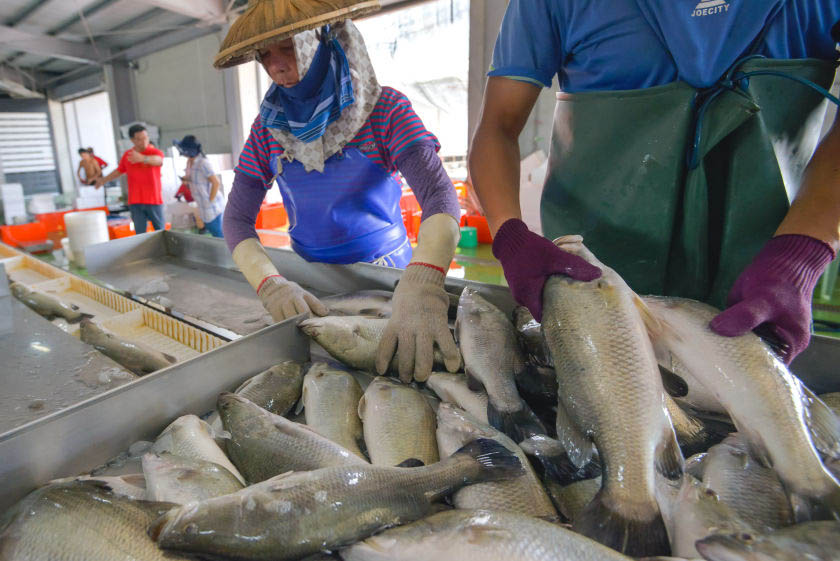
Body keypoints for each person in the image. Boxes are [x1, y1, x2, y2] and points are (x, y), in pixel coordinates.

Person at [470, 1, 840, 367]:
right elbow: (498, 126)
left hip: (758, 289)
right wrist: (511, 236)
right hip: (595, 287)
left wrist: (800, 255)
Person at [217, 0, 462, 383]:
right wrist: (271, 284)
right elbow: (235, 218)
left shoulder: (385, 110)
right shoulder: (269, 128)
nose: (276, 65)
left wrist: (426, 276)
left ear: (320, 42)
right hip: (313, 287)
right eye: (265, 55)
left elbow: (439, 196)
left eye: (288, 48)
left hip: (391, 281)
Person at [95, 124, 165, 233]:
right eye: (139, 139)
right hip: (135, 202)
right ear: (132, 140)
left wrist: (143, 158)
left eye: (145, 138)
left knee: (161, 231)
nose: (144, 142)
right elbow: (119, 171)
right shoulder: (128, 155)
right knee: (140, 234)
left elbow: (159, 160)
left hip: (153, 200)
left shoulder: (154, 152)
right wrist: (103, 180)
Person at [174, 135, 225, 238]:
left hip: (212, 209)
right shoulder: (191, 162)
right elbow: (198, 179)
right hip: (203, 207)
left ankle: (228, 254)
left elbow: (216, 182)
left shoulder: (203, 163)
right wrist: (187, 179)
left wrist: (210, 200)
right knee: (214, 234)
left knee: (220, 236)